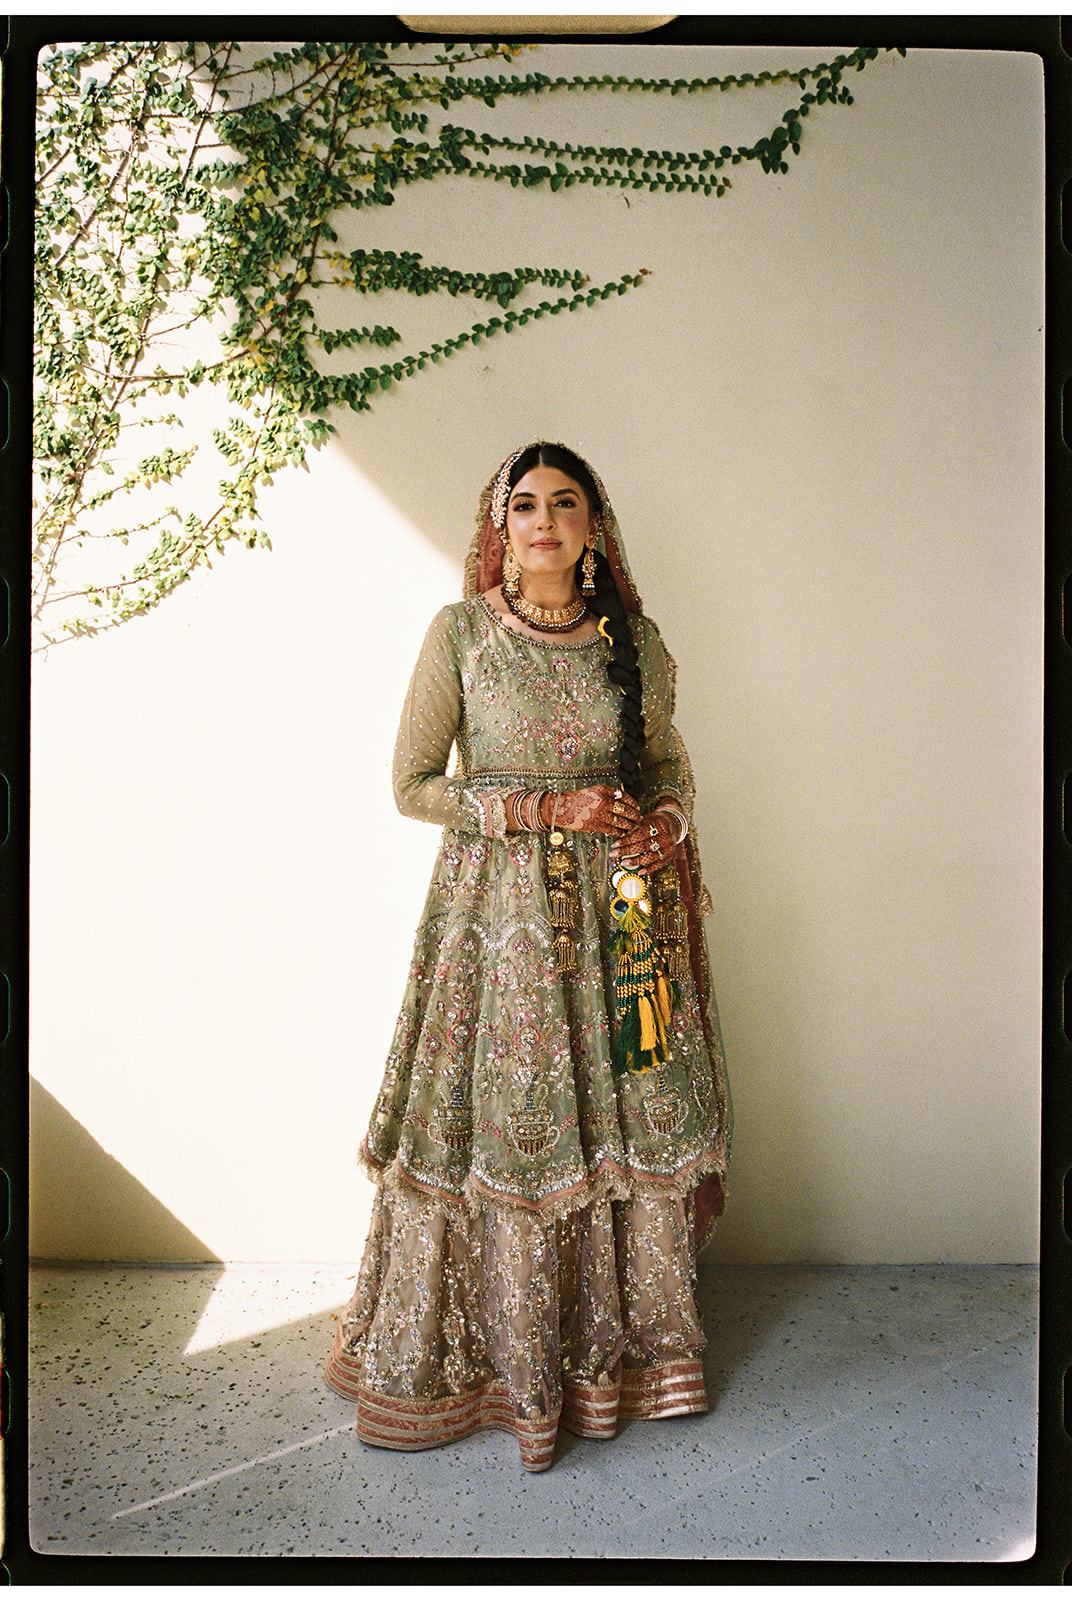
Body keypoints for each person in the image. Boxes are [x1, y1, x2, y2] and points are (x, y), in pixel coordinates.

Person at [325, 441, 731, 1471]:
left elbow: (664, 761)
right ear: (496, 527)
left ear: (594, 527)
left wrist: (666, 822)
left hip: (624, 921)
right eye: (523, 504)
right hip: (496, 925)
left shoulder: (631, 639)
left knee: (630, 1112)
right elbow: (413, 783)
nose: (543, 520)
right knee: (513, 1124)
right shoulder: (459, 633)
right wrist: (544, 806)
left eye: (564, 503)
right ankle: (494, 1366)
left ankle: (625, 1360)